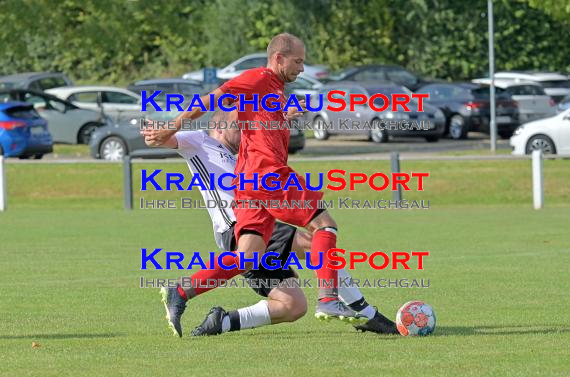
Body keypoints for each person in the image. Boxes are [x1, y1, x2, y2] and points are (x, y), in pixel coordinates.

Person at [143, 33, 398, 337]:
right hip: (266, 177)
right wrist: (169, 128)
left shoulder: (272, 94)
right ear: (279, 58)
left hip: (248, 188)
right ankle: (336, 303)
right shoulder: (256, 80)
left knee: (254, 260)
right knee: (324, 229)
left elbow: (264, 128)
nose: (302, 69)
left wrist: (284, 116)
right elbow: (209, 99)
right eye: (298, 61)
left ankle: (183, 292)